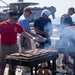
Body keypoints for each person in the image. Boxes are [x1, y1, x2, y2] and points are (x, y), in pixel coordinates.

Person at [0, 9, 39, 75]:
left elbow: (24, 33)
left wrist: (32, 37)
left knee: (13, 64)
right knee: (2, 63)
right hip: (4, 47)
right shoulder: (2, 25)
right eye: (14, 19)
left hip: (14, 46)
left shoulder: (17, 25)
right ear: (10, 17)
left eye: (16, 19)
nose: (15, 20)